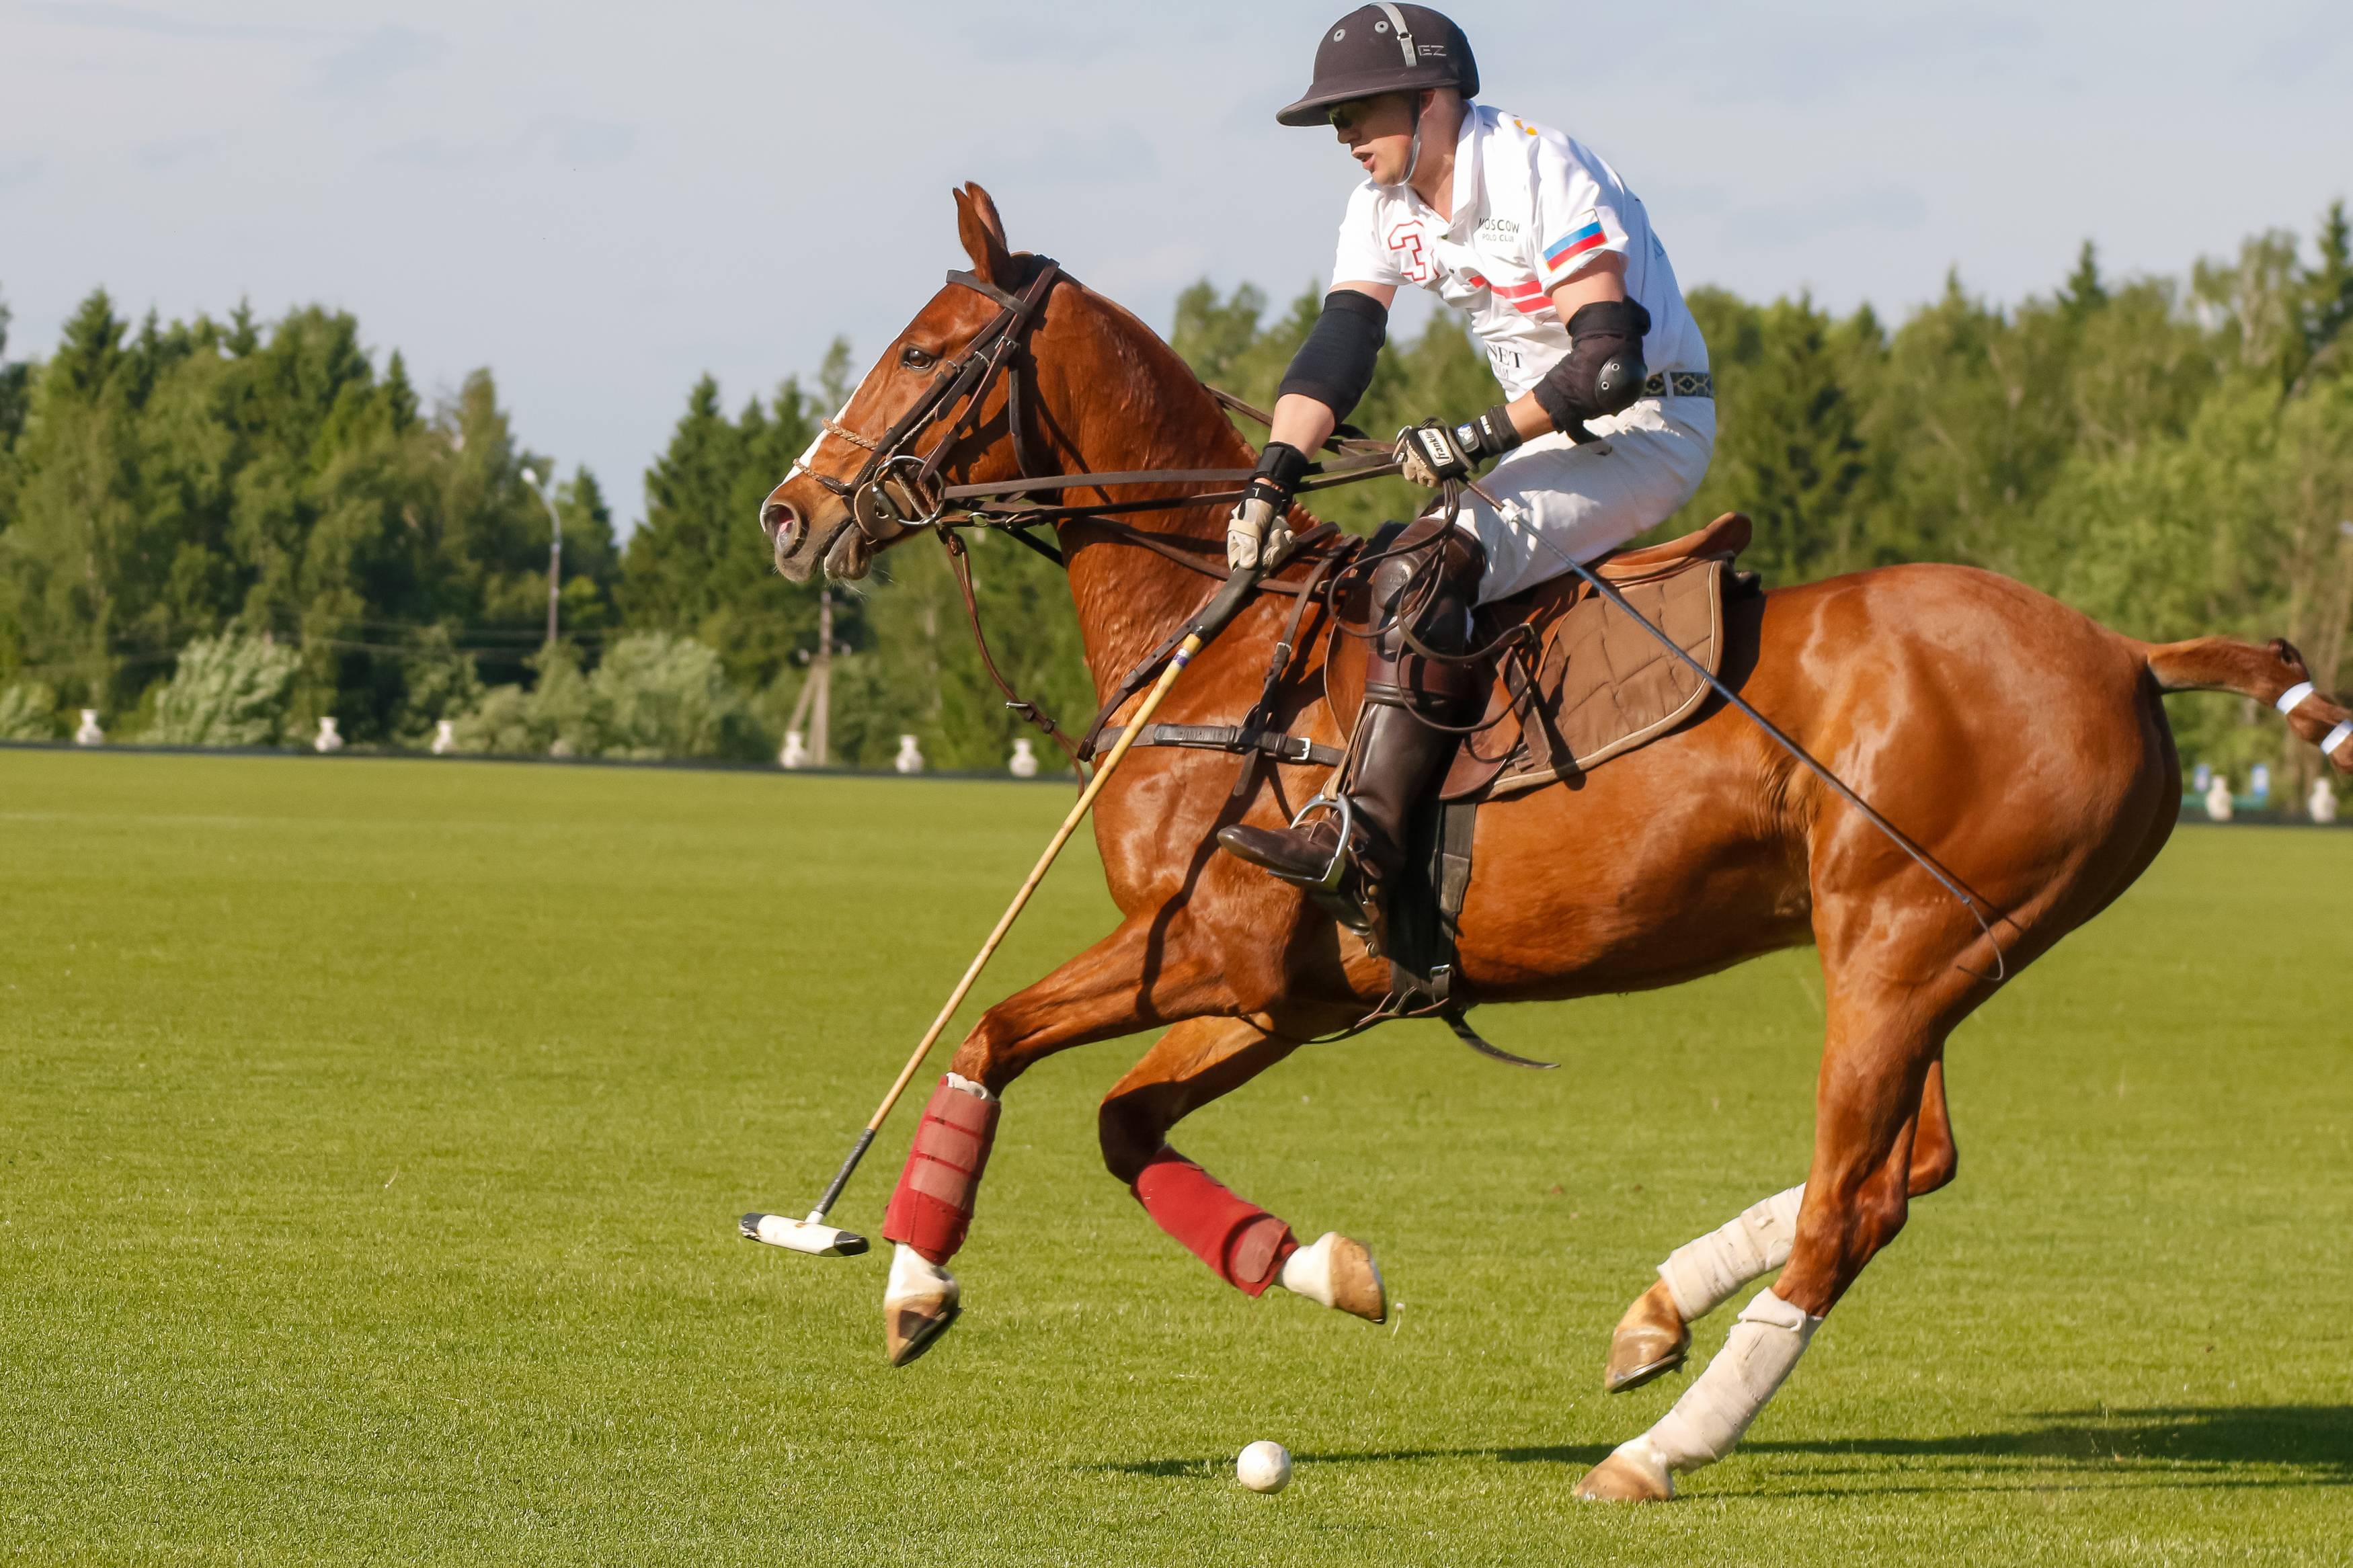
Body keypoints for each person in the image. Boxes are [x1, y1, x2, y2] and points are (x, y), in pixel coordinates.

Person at [1215, 3, 1714, 911]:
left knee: (1423, 560)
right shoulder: (1381, 207)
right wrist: (1270, 478)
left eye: (1358, 110)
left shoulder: (1540, 171)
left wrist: (1478, 437)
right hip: (1548, 439)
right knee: (1383, 559)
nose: (1343, 135)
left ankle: (1361, 845)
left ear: (1431, 99)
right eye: (1336, 117)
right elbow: (1342, 346)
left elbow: (1607, 363)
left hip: (1644, 427)